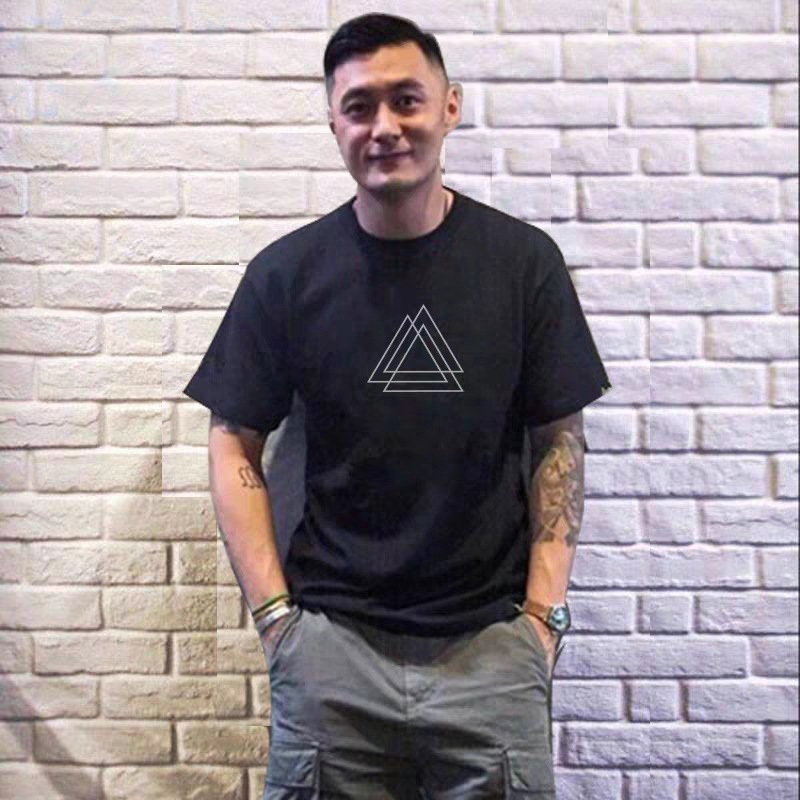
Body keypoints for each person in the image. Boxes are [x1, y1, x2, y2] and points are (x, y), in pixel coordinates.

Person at [183, 12, 612, 799]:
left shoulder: (523, 264)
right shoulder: (286, 275)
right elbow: (231, 438)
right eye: (359, 107)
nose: (384, 126)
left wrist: (543, 620)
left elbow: (559, 439)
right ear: (334, 123)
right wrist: (276, 620)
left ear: (449, 106)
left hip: (493, 652)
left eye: (406, 100)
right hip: (332, 657)